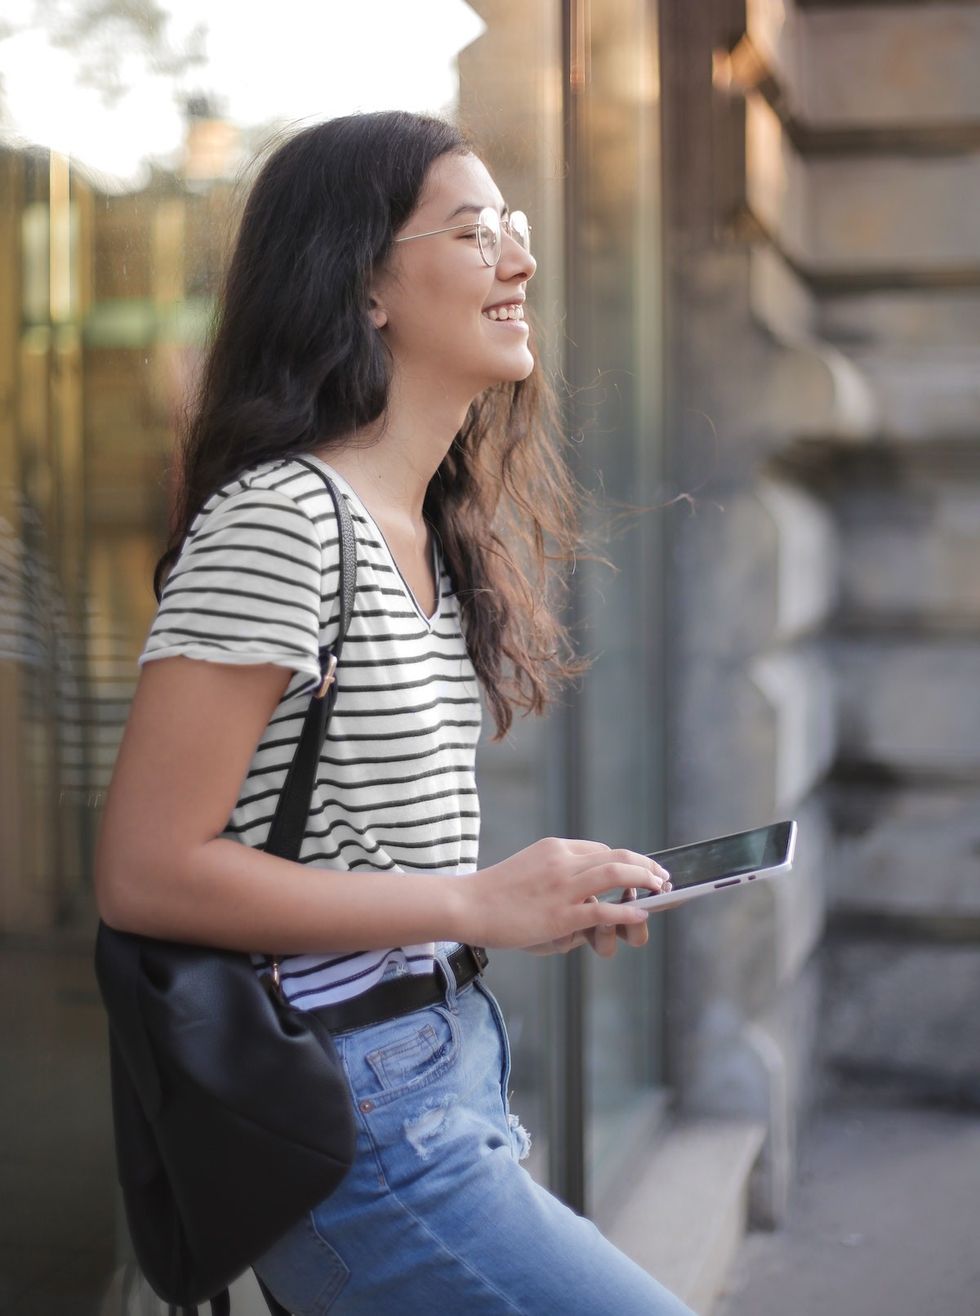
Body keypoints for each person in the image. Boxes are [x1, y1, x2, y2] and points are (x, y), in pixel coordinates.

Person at [94, 110, 692, 1316]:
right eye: (475, 233)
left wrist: (531, 904)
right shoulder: (287, 520)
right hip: (355, 1119)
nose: (518, 260)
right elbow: (145, 870)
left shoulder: (420, 527)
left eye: (513, 230)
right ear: (363, 285)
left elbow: (348, 855)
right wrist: (473, 899)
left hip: (439, 1079)